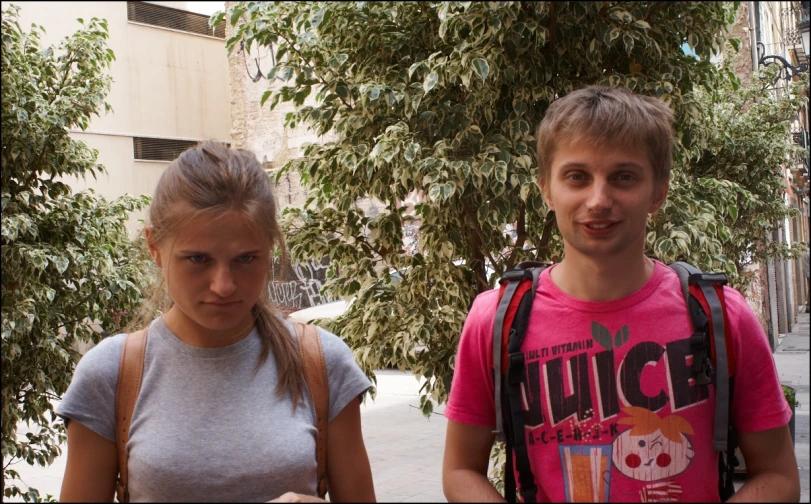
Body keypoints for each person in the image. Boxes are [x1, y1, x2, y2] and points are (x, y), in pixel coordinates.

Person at [442, 86, 800, 502]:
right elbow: (460, 469)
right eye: (577, 177)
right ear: (545, 189)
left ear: (658, 191)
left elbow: (778, 476)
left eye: (623, 177)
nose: (599, 200)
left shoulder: (722, 315)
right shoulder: (496, 320)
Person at [57, 142, 376, 502]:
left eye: (245, 259)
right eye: (197, 258)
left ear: (270, 248)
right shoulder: (110, 375)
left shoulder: (322, 363)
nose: (223, 285)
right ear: (154, 248)